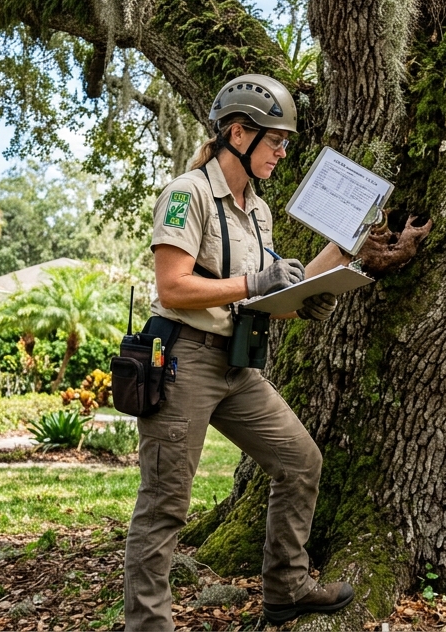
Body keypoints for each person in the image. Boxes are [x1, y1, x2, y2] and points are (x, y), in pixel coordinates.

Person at [124, 74, 355, 630]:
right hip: (183, 362)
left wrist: (315, 292)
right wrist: (257, 283)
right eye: (275, 140)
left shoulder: (258, 211)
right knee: (165, 506)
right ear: (238, 133)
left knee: (301, 462)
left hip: (237, 364)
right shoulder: (188, 194)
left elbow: (267, 297)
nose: (281, 151)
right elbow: (174, 287)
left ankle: (286, 588)